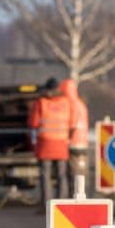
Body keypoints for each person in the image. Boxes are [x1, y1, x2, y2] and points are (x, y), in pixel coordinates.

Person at [28, 77, 72, 207]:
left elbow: (33, 123)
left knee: (45, 175)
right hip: (62, 144)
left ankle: (47, 205)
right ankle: (62, 204)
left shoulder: (41, 102)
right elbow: (70, 122)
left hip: (46, 143)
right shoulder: (66, 102)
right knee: (61, 175)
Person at [60, 78, 89, 197]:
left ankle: (74, 197)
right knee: (80, 172)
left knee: (73, 174)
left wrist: (66, 138)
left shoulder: (70, 104)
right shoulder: (80, 103)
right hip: (82, 142)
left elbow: (72, 124)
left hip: (73, 143)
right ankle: (81, 195)